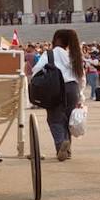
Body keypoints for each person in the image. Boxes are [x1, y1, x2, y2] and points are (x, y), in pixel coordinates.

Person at [32, 29, 82, 161]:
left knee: (54, 118)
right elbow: (80, 77)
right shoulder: (74, 55)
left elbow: (36, 69)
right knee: (67, 119)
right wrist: (80, 96)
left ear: (56, 40)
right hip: (73, 88)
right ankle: (68, 149)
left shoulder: (49, 54)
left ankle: (60, 145)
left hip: (55, 88)